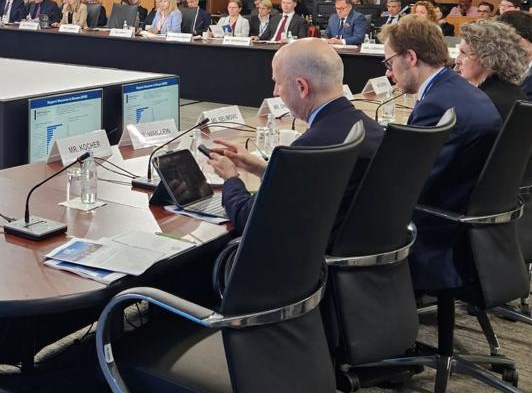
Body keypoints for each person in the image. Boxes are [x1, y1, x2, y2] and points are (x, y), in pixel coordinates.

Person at [209, 39, 383, 235]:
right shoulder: (371, 128)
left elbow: (248, 218)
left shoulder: (309, 148)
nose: (275, 91)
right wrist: (261, 168)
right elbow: (304, 183)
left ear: (302, 87)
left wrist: (230, 178)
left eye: (277, 82)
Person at [380, 16, 503, 290]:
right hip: (465, 212)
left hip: (438, 224)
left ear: (410, 57)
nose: (389, 73)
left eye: (389, 63)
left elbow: (410, 183)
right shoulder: (459, 90)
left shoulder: (436, 105)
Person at [454, 19, 529, 121]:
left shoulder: (482, 102)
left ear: (487, 58)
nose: (457, 61)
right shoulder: (513, 91)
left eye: (463, 53)